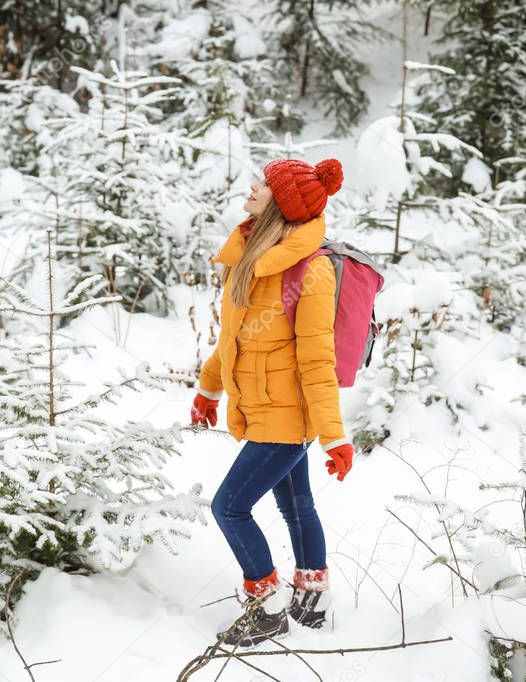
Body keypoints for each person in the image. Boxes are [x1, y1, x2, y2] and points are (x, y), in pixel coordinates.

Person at [190, 157, 355, 648]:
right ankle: (312, 597)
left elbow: (317, 361)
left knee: (229, 507)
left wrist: (334, 436)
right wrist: (208, 388)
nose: (251, 188)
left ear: (281, 204)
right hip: (262, 407)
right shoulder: (252, 254)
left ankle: (267, 609)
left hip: (287, 417)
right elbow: (233, 338)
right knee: (295, 505)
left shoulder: (312, 270)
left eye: (261, 185)